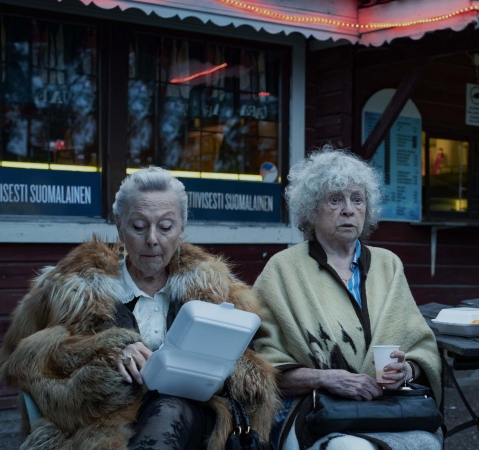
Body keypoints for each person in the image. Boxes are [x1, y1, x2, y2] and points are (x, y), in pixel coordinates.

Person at [0, 167, 280, 449]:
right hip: (106, 424)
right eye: (138, 226)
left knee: (170, 408)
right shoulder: (75, 290)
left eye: (166, 227)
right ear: (119, 226)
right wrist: (107, 352)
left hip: (200, 421)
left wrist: (217, 373)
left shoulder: (218, 291)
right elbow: (25, 362)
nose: (152, 239)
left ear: (182, 228)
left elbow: (250, 369)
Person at [252, 147, 442, 450]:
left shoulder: (388, 264)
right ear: (311, 209)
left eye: (357, 199)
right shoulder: (282, 270)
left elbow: (421, 346)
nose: (349, 209)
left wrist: (406, 371)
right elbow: (262, 367)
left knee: (425, 444)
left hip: (390, 409)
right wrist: (327, 378)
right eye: (335, 199)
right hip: (316, 410)